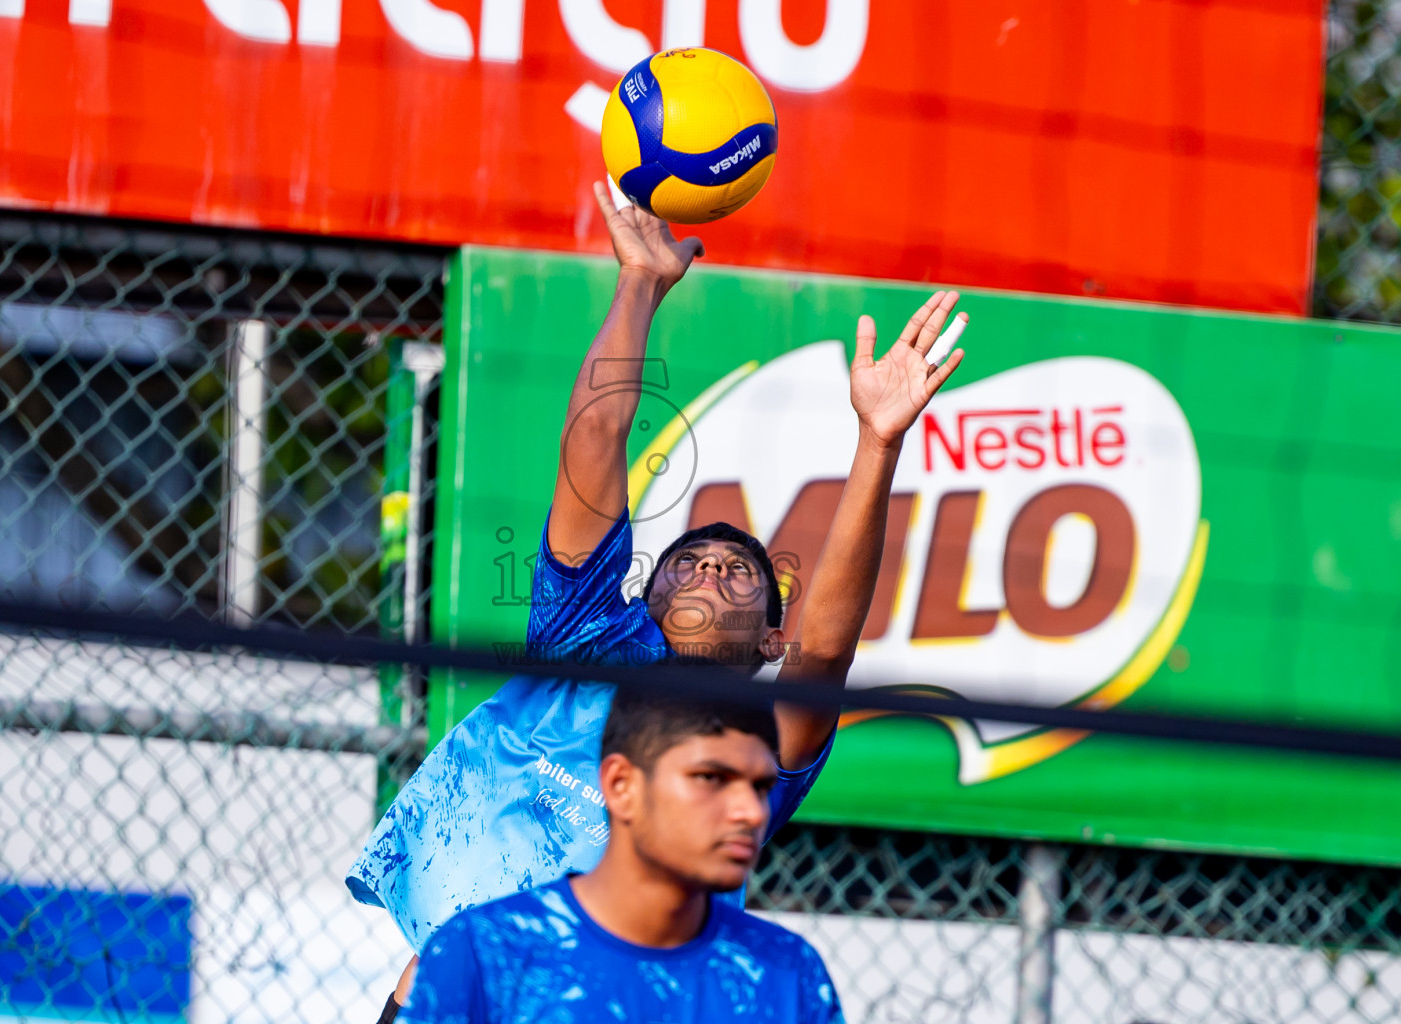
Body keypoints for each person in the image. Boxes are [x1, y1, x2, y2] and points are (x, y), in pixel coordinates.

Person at [347, 181, 966, 1019]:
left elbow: (827, 652)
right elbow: (597, 437)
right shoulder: (585, 633)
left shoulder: (748, 747)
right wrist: (639, 282)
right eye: (693, 560)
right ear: (646, 593)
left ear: (769, 642)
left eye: (741, 571)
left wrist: (878, 441)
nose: (713, 570)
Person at [398, 690, 845, 1024]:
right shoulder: (484, 951)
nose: (749, 811)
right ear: (621, 786)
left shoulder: (786, 971)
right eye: (711, 777)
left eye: (761, 787)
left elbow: (825, 655)